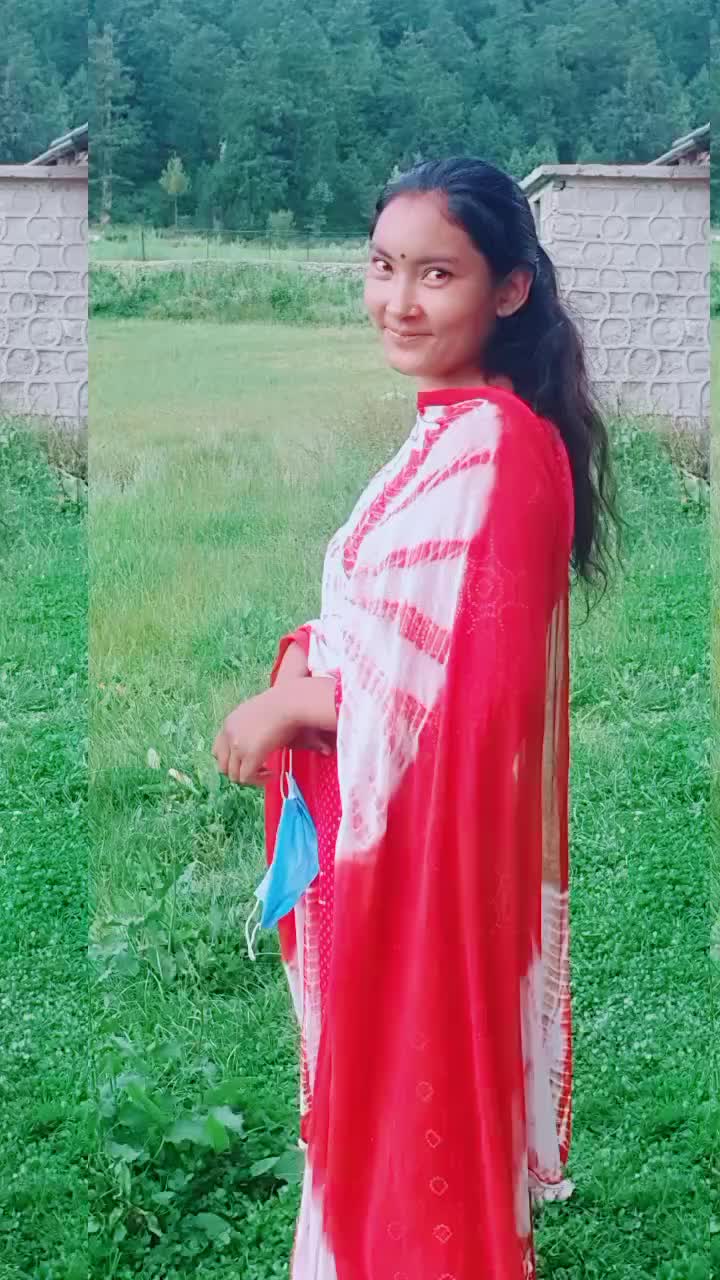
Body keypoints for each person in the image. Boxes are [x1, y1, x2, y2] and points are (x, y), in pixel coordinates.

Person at [212, 156, 619, 1280]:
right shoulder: (456, 428)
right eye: (383, 266)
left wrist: (296, 700)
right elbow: (403, 635)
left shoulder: (499, 450)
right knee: (389, 1137)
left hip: (432, 872)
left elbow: (473, 706)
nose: (398, 300)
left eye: (437, 274)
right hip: (392, 850)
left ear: (509, 289)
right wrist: (315, 658)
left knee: (418, 1149)